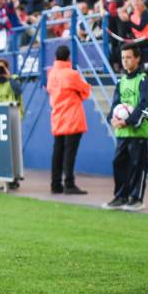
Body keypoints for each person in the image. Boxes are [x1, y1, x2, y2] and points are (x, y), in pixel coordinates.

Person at [103, 44, 148, 211]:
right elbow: (116, 103)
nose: (125, 61)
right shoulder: (121, 81)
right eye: (123, 58)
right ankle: (120, 196)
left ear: (137, 58)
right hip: (122, 131)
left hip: (138, 131)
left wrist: (129, 120)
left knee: (137, 165)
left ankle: (136, 198)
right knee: (118, 163)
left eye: (128, 57)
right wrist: (112, 118)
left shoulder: (143, 79)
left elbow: (144, 104)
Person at [45, 45, 91, 195]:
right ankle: (69, 184)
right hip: (72, 117)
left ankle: (55, 184)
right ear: (68, 57)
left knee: (57, 152)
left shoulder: (51, 74)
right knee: (69, 154)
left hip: (57, 117)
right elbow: (85, 91)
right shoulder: (71, 74)